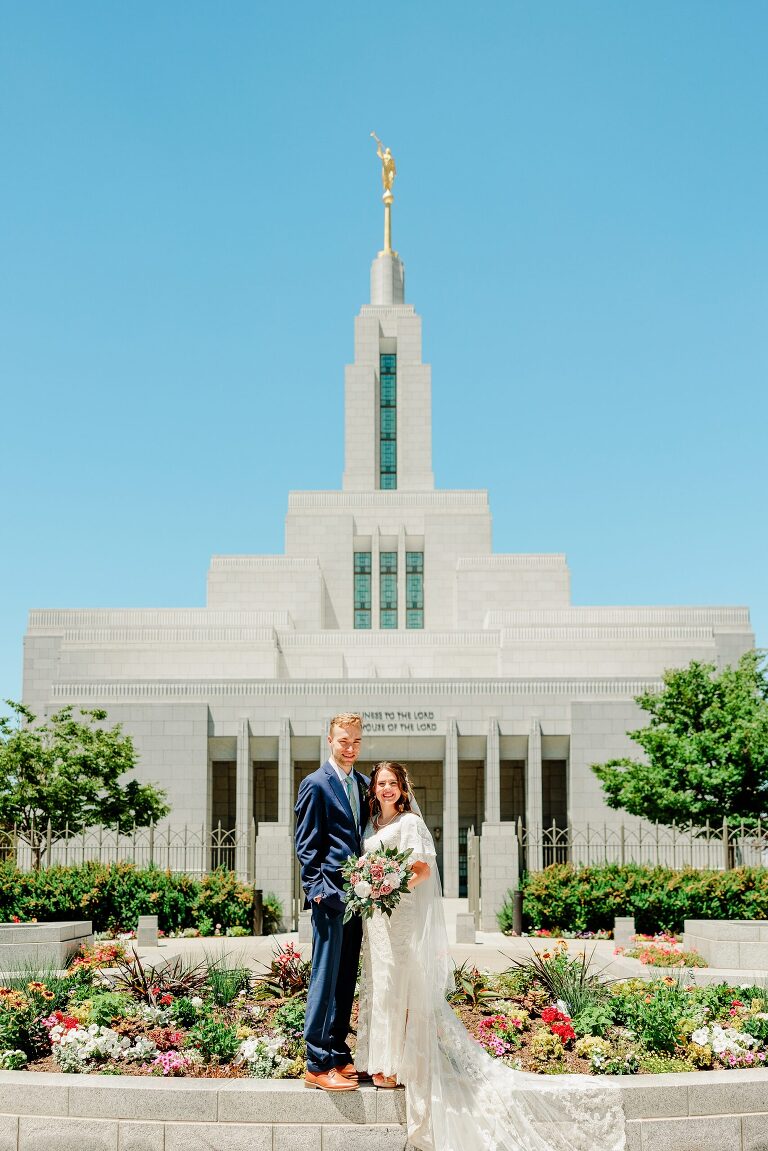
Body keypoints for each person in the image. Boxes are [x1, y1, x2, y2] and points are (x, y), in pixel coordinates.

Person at [355, 761, 627, 1151]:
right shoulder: (372, 826)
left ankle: (399, 1065)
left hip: (400, 916)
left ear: (402, 788)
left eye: (392, 784)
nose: (386, 789)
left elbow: (422, 871)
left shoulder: (410, 823)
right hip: (376, 922)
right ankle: (380, 1062)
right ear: (374, 789)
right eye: (381, 784)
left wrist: (388, 887)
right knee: (380, 985)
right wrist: (368, 886)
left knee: (402, 984)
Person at [294, 712, 370, 1091]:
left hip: (360, 899)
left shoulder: (364, 783)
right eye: (344, 741)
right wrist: (318, 891)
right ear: (330, 740)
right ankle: (316, 1063)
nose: (350, 748)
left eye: (356, 741)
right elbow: (306, 845)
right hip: (330, 898)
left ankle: (338, 1052)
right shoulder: (315, 784)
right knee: (325, 978)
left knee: (345, 978)